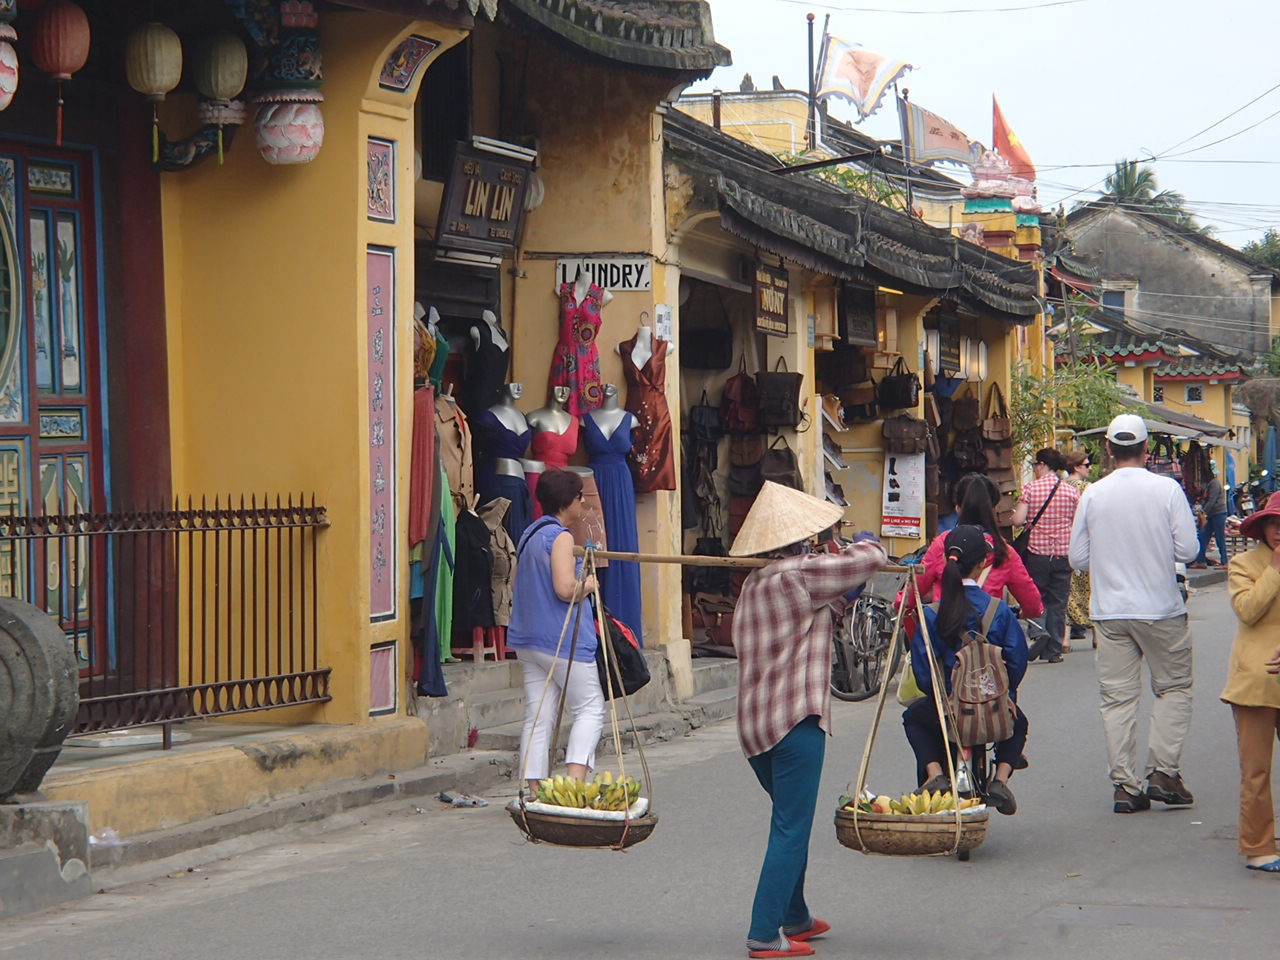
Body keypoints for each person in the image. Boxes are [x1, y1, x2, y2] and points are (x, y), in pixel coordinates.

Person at [729, 481, 886, 959]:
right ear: (802, 540)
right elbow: (872, 558)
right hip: (794, 721)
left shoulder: (754, 584)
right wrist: (863, 540)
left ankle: (794, 915)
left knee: (788, 821)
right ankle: (763, 933)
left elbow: (826, 608)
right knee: (791, 828)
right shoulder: (802, 574)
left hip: (755, 727)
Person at [1069, 414, 1200, 813]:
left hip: (1110, 613)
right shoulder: (1167, 489)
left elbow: (1078, 558)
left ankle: (1125, 787)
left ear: (1108, 449)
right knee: (1173, 687)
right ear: (1146, 450)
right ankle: (1163, 770)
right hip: (1161, 608)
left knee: (1118, 700)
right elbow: (1189, 551)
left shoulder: (1093, 493)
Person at [903, 525, 1029, 816]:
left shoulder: (933, 613)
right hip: (992, 707)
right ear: (983, 562)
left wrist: (941, 696)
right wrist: (1005, 695)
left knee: (913, 718)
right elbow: (1017, 661)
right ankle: (1000, 780)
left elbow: (923, 669)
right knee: (1018, 724)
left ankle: (935, 775)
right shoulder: (998, 611)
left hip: (948, 708)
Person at [506, 469, 606, 795]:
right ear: (569, 501)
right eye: (580, 497)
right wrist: (589, 584)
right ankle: (574, 785)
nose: (582, 503)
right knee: (590, 707)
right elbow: (565, 588)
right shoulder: (560, 537)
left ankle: (534, 788)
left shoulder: (530, 534)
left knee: (538, 715)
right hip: (558, 640)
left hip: (528, 639)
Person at [1222, 492, 1280, 873]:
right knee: (1256, 770)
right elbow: (1248, 610)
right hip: (1256, 681)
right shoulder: (1244, 564)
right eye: (1275, 524)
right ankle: (1258, 845)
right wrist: (1275, 568)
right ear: (1262, 527)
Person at [904, 473, 1043, 619]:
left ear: (958, 508)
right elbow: (1032, 603)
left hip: (944, 632)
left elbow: (914, 591)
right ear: (995, 508)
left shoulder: (943, 543)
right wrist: (1023, 614)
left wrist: (899, 605)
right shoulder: (1003, 550)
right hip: (989, 636)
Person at [1012, 447, 1080, 663]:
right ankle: (1054, 651)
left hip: (1037, 553)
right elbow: (1078, 522)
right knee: (1058, 602)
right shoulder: (1071, 492)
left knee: (1037, 596)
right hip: (1063, 553)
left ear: (1042, 465)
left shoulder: (1031, 489)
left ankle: (1039, 632)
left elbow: (1018, 520)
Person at [1064, 450, 1094, 650]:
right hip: (1089, 545)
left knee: (1068, 591)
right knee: (1092, 590)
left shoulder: (1061, 488)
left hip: (1065, 544)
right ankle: (1097, 636)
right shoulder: (1090, 489)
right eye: (1086, 464)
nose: (1090, 467)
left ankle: (1065, 638)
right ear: (1076, 467)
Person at [1191, 463, 1229, 569]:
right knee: (1203, 537)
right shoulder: (1208, 484)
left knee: (1219, 538)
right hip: (1211, 515)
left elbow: (1212, 500)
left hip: (1218, 514)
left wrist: (1203, 512)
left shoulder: (1215, 483)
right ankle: (1201, 560)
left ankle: (1225, 562)